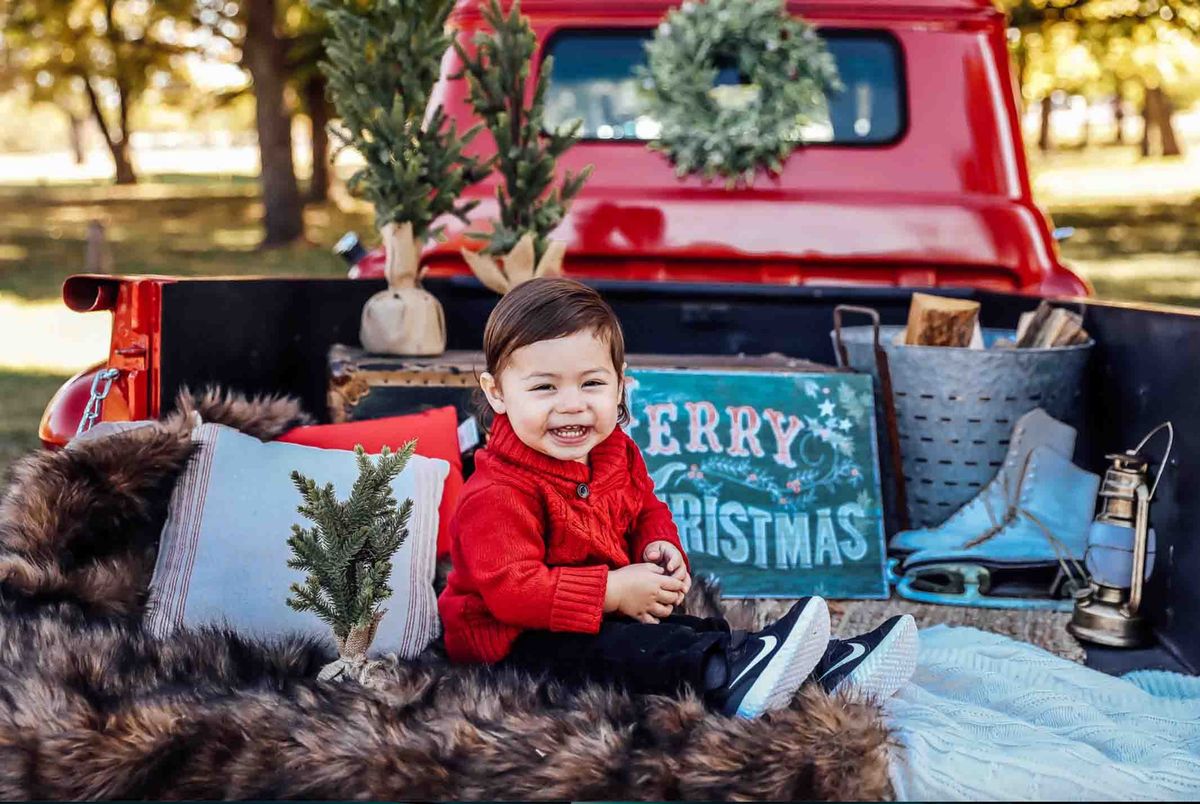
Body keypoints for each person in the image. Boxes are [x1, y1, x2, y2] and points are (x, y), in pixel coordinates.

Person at [438, 277, 918, 718]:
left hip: (595, 615)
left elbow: (645, 506)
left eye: (592, 383)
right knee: (630, 654)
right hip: (511, 645)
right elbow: (513, 593)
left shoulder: (614, 453)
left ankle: (811, 669)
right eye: (544, 387)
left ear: (621, 384)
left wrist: (656, 542)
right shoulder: (496, 493)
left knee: (685, 632)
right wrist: (613, 590)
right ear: (498, 393)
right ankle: (725, 679)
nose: (572, 404)